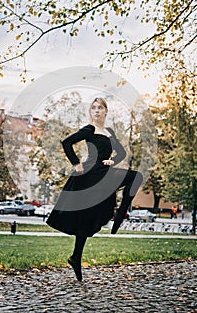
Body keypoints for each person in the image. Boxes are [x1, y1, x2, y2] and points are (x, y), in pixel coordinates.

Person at [47, 97, 143, 281]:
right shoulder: (88, 130)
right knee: (86, 218)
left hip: (104, 172)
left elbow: (121, 152)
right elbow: (66, 143)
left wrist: (112, 161)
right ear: (91, 112)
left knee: (135, 178)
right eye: (94, 108)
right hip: (91, 174)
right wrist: (76, 164)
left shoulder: (108, 132)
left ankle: (76, 256)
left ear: (106, 111)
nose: (97, 111)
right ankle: (77, 257)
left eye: (100, 108)